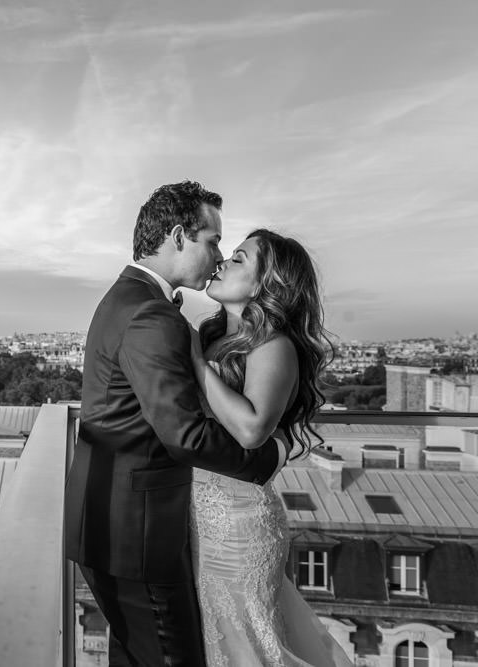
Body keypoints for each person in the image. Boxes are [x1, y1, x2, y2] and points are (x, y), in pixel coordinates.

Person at [63, 181, 290, 666]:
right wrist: (265, 458)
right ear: (178, 235)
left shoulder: (131, 297)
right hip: (137, 532)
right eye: (213, 241)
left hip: (116, 522)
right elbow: (184, 434)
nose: (219, 254)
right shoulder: (151, 311)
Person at [189, 229, 352, 666]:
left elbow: (251, 429)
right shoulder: (213, 338)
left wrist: (192, 361)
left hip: (239, 526)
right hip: (195, 517)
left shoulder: (274, 346)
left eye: (239, 258)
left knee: (246, 648)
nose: (222, 261)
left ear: (269, 284)